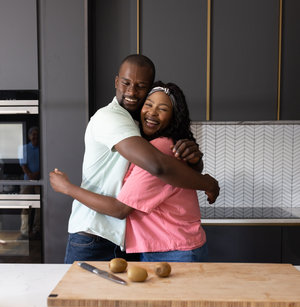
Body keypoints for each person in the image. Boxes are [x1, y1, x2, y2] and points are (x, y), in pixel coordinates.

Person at [53, 54, 219, 263]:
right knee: (81, 296)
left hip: (123, 238)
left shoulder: (144, 127)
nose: (132, 91)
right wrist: (208, 183)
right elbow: (157, 167)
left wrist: (195, 162)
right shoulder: (110, 118)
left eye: (141, 86)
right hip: (95, 233)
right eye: (126, 83)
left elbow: (170, 169)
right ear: (116, 82)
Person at [18, 126, 40, 239]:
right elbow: (23, 164)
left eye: (36, 134)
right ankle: (24, 231)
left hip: (41, 181)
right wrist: (31, 175)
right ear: (29, 136)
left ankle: (36, 231)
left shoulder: (43, 148)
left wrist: (37, 174)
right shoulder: (24, 148)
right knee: (25, 206)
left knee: (39, 207)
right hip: (27, 181)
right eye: (33, 134)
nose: (35, 136)